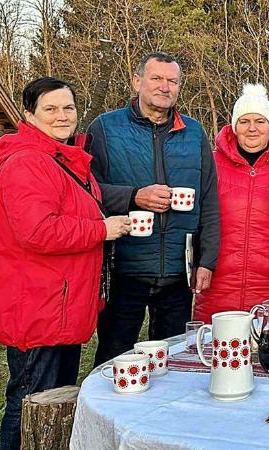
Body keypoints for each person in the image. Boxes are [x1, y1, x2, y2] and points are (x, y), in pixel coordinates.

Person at [0, 77, 131, 450]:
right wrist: (101, 229)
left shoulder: (64, 160)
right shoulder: (28, 163)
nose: (61, 116)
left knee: (54, 405)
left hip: (61, 304)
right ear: (29, 114)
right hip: (38, 307)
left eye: (68, 107)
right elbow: (37, 231)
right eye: (50, 109)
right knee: (31, 404)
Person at [87, 52, 220, 366]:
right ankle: (108, 414)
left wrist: (208, 260)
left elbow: (210, 200)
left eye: (172, 81)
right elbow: (88, 192)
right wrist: (135, 196)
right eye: (156, 78)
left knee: (171, 361)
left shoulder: (194, 133)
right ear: (137, 82)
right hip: (125, 267)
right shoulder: (106, 128)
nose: (165, 87)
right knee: (115, 359)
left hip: (178, 270)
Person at [193, 84, 269, 322]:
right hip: (217, 287)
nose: (252, 128)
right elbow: (194, 220)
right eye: (244, 121)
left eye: (260, 121)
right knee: (216, 353)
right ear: (234, 126)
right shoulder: (209, 165)